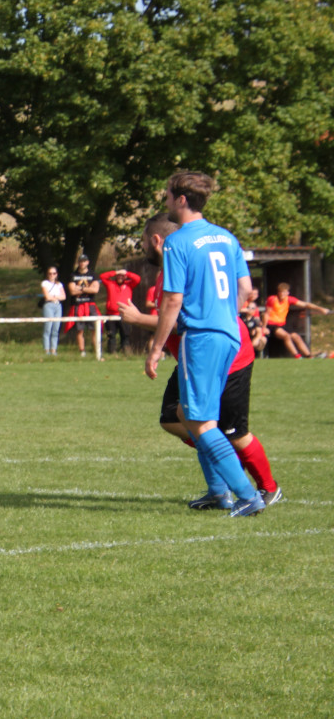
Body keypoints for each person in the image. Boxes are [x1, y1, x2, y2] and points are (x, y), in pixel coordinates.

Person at [120, 213, 281, 510]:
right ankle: (219, 490)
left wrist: (137, 320)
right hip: (193, 356)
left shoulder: (181, 260)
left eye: (143, 241)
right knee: (175, 416)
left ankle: (265, 489)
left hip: (225, 357)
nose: (143, 247)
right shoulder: (174, 267)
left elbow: (181, 315)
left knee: (231, 432)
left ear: (156, 241)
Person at [145, 171, 264, 517]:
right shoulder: (227, 238)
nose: (165, 200)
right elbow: (245, 290)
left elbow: (171, 301)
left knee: (199, 421)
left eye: (167, 195)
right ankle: (218, 492)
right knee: (189, 413)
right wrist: (226, 316)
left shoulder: (177, 242)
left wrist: (155, 349)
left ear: (181, 199)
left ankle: (246, 495)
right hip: (230, 333)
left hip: (201, 337)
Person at [264, 282, 330, 358]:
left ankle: (309, 356)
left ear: (287, 293)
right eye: (281, 292)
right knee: (286, 336)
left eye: (284, 292)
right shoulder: (272, 299)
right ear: (278, 292)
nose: (282, 294)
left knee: (296, 337)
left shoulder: (288, 299)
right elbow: (266, 314)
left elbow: (305, 304)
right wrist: (264, 327)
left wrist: (321, 309)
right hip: (272, 325)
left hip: (282, 324)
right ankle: (297, 356)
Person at [64, 253, 101, 356]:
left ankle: (96, 350)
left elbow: (95, 290)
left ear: (87, 262)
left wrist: (80, 288)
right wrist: (88, 289)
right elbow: (72, 291)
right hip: (77, 305)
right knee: (80, 330)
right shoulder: (73, 275)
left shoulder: (93, 275)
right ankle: (82, 351)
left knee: (95, 328)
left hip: (90, 305)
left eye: (84, 261)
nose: (82, 263)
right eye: (80, 261)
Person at [99, 267, 141, 354]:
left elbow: (137, 279)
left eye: (122, 276)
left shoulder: (130, 285)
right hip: (111, 314)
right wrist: (115, 272)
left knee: (125, 335)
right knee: (111, 335)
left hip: (125, 314)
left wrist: (127, 273)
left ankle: (126, 353)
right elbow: (102, 276)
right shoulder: (110, 284)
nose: (120, 278)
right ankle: (112, 352)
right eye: (118, 276)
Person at [39, 266, 66, 354]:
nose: (52, 275)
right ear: (47, 275)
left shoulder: (59, 284)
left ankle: (54, 349)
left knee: (56, 328)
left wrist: (53, 297)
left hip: (58, 306)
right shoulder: (45, 283)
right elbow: (47, 296)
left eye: (54, 273)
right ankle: (46, 350)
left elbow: (64, 296)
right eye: (50, 273)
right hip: (48, 306)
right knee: (48, 328)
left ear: (56, 274)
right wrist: (56, 297)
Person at [240, 289, 268, 354]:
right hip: (243, 334)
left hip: (253, 331)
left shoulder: (255, 312)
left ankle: (252, 353)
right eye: (252, 293)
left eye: (255, 294)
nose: (253, 295)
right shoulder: (242, 302)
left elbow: (257, 322)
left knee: (262, 339)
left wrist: (261, 329)